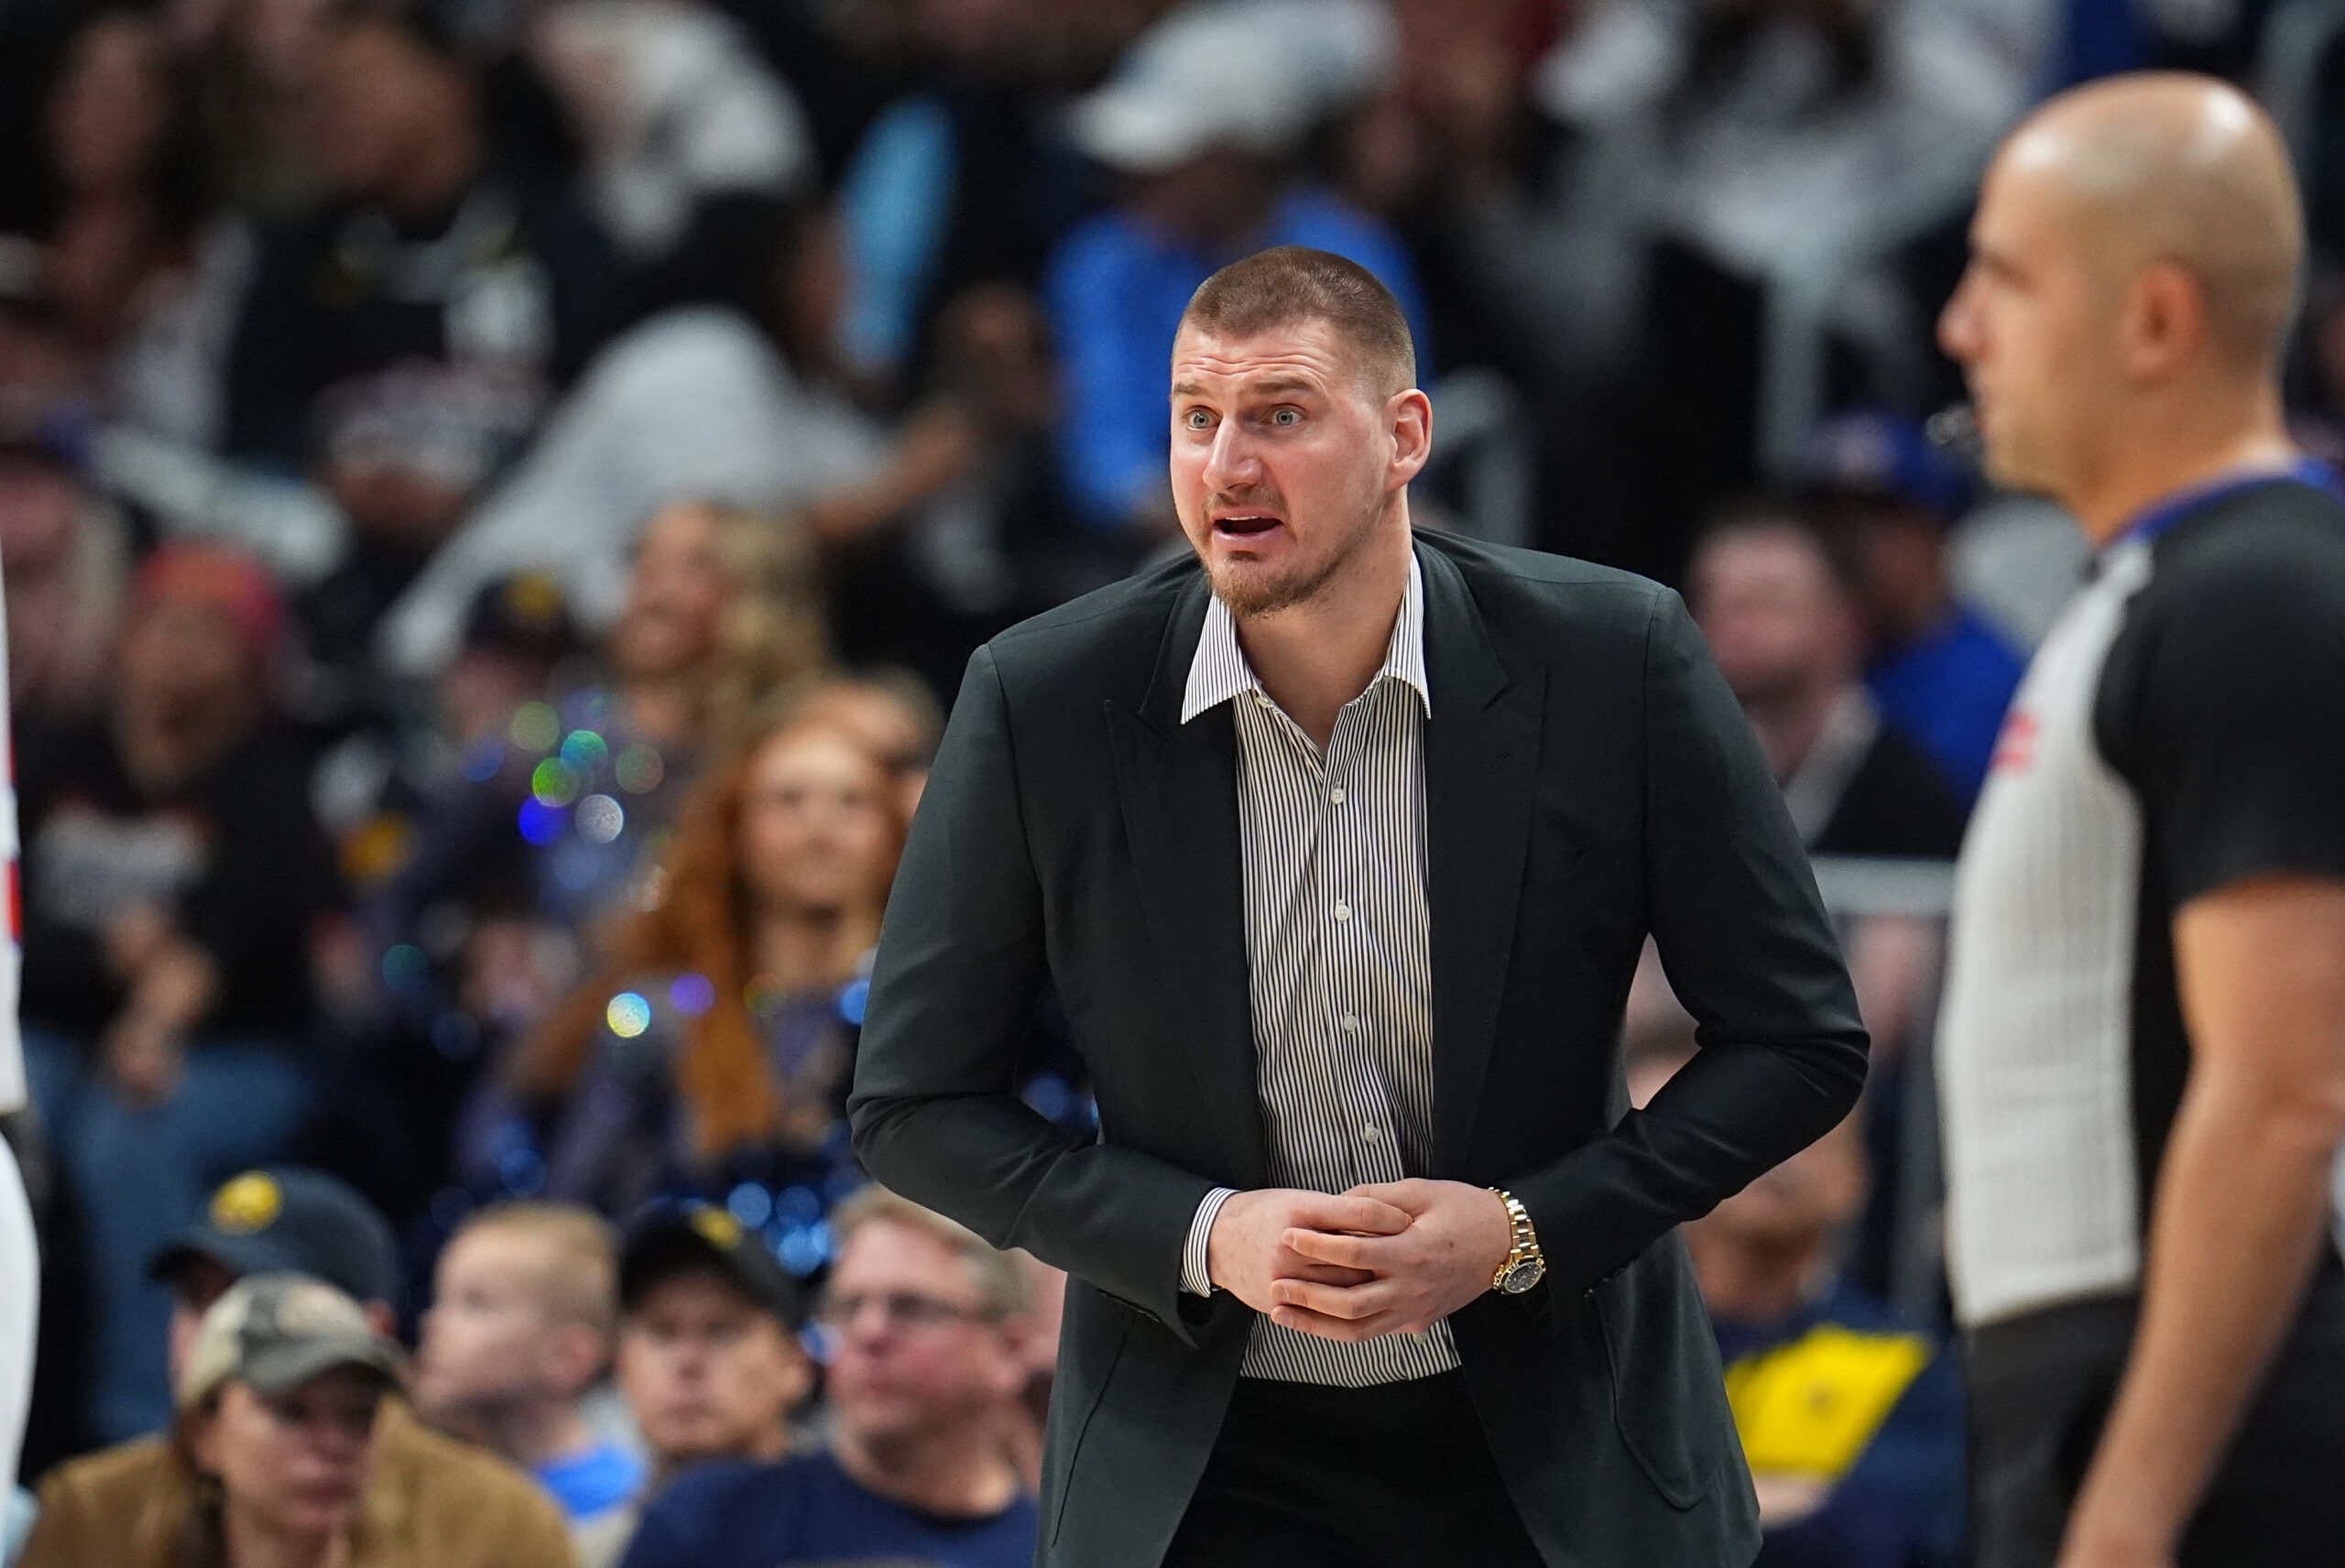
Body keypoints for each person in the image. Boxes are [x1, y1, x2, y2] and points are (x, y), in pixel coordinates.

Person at [850, 245, 1867, 1565]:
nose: (1227, 466)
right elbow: (914, 1100)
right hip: (1203, 1457)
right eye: (1197, 417)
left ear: (1404, 437)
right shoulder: (1045, 696)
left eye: (1280, 414)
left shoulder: (1613, 658)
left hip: (1555, 1433)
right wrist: (1203, 1234)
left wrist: (1521, 1231)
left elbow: (1798, 1038)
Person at [1934, 72, 2345, 1567]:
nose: (1959, 327)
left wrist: (2129, 1508)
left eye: (2005, 277)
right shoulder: (2165, 590)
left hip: (2200, 1428)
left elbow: (2288, 1086)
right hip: (2099, 1388)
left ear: (2155, 322)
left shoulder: (2255, 595)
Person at [16, 542, 341, 1443]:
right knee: (18, 1107)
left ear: (253, 660)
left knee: (129, 1133)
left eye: (210, 632)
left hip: (236, 1051)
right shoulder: (59, 757)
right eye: (163, 622)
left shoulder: (272, 782)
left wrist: (153, 1018)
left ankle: (144, 1424)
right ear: (124, 632)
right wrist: (103, 958)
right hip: (55, 1027)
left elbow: (236, 943)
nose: (179, 650)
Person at [34, 1166, 573, 1566]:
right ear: (204, 1433)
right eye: (195, 1298)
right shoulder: (89, 1515)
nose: (210, 1332)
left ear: (373, 1332)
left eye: (256, 1302)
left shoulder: (499, 1530)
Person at [483, 712, 905, 1216]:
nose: (820, 826)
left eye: (852, 801)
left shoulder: (921, 1016)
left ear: (893, 836)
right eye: (789, 800)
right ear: (735, 832)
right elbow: (579, 1206)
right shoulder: (665, 1018)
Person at [1044, 0, 1429, 536]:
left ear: (1237, 161)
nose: (1134, 177)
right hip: (1151, 543)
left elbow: (1381, 440)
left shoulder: (1353, 260)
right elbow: (1103, 448)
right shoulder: (1103, 262)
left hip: (1331, 531)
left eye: (1167, 157)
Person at [219, 3, 618, 469]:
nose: (340, 110)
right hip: (329, 506)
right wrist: (336, 478)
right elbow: (254, 431)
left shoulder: (556, 230)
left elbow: (615, 406)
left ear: (452, 81)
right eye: (321, 94)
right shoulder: (299, 255)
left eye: (364, 82)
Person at [1629, 1051, 1964, 1568]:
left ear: (1858, 1177)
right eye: (1751, 1129)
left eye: (1813, 1134)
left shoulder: (1908, 1361)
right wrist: (1780, 1499)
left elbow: (1874, 1538)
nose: (1779, 1157)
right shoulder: (1616, 1352)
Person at [616, 1186, 1037, 1568]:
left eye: (910, 1307)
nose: (868, 1333)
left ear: (1009, 1349)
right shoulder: (710, 1518)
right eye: (848, 1307)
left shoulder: (1053, 1551)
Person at [580, 1203, 813, 1566]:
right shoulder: (582, 1555)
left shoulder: (866, 1536)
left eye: (722, 1331)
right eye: (662, 1333)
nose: (688, 1361)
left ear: (793, 1365)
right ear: (622, 1366)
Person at [412, 1203, 644, 1541]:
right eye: (440, 1298)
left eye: (476, 1303)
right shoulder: (435, 1485)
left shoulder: (628, 1506)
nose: (433, 1323)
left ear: (568, 1357)